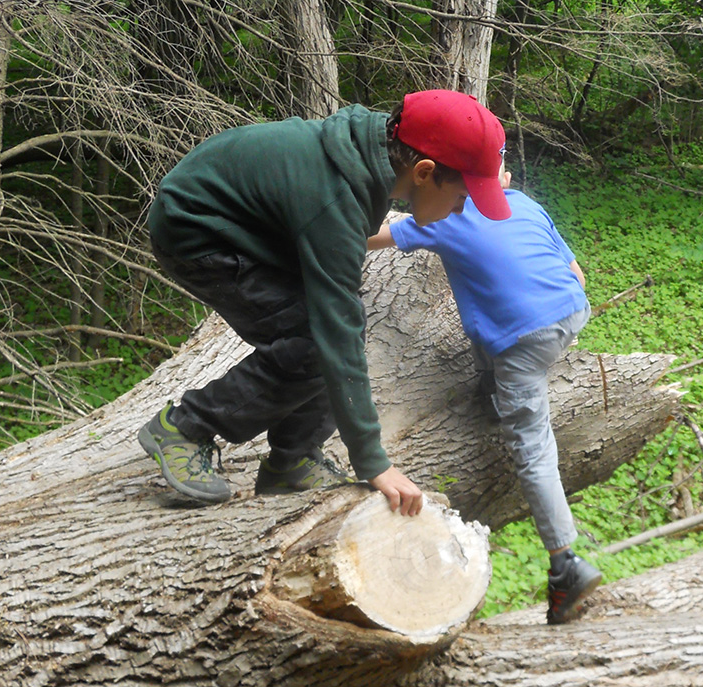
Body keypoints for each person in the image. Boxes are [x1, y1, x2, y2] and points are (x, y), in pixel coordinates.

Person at [138, 90, 511, 517]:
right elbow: (335, 331)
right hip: (196, 230)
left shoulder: (382, 150)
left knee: (330, 331)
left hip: (252, 227)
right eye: (463, 197)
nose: (462, 210)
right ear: (424, 171)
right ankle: (183, 429)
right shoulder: (336, 199)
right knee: (317, 341)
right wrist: (373, 461)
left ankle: (291, 460)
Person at [367, 165, 602, 623]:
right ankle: (494, 383)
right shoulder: (526, 204)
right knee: (486, 326)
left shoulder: (445, 218)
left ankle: (565, 563)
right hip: (573, 310)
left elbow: (375, 237)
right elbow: (578, 275)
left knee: (533, 448)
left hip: (523, 341)